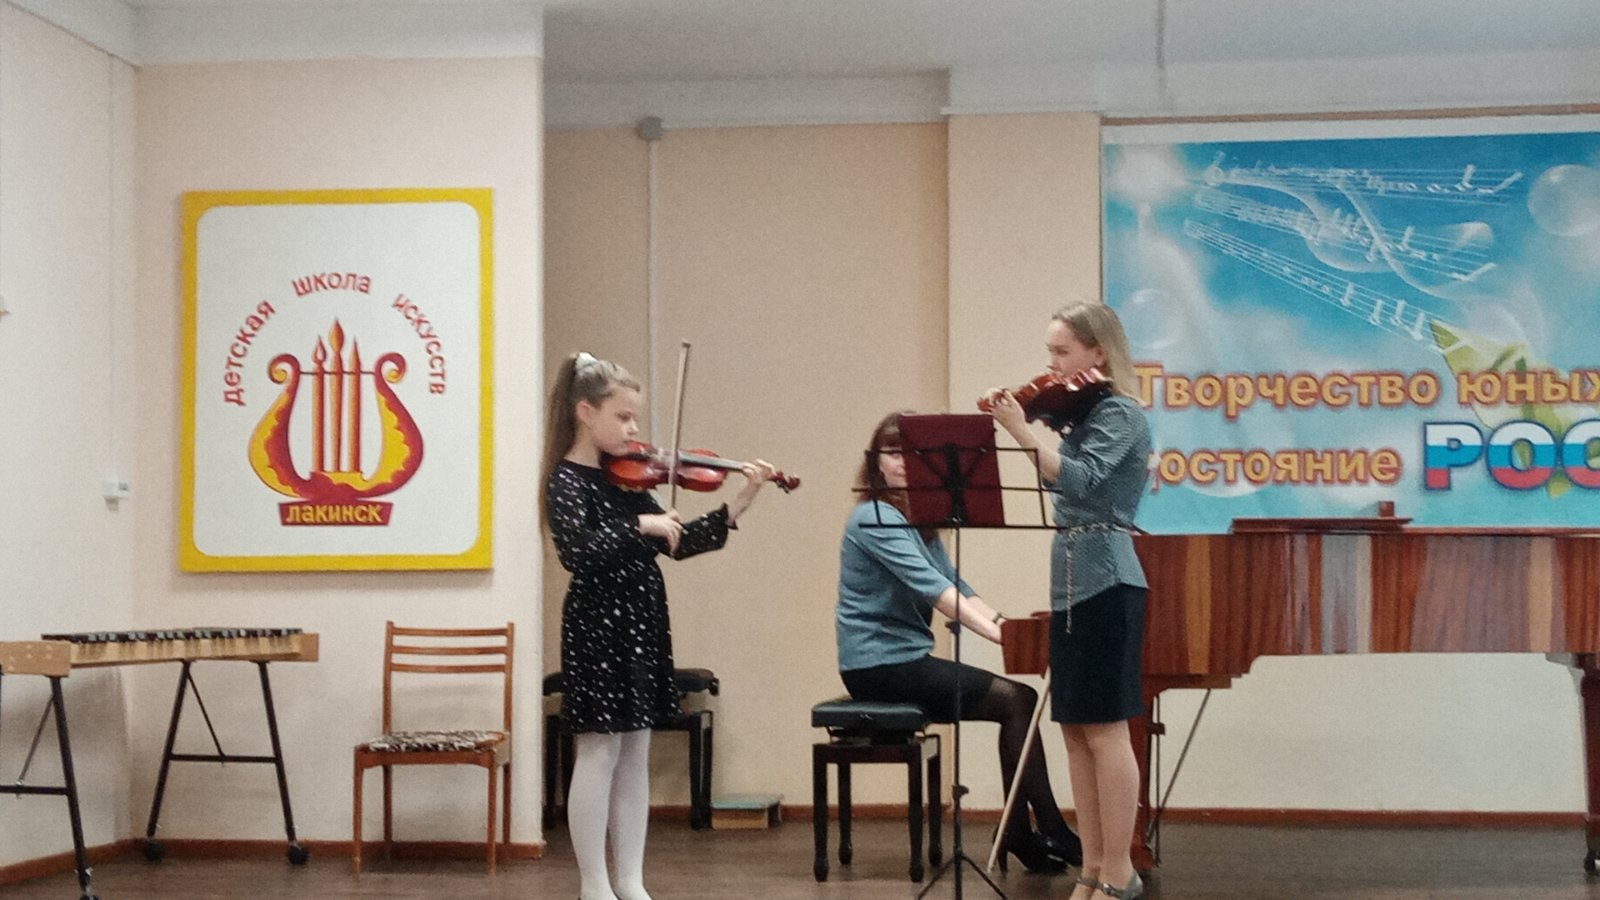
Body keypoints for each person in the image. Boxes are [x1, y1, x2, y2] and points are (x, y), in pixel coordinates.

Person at [541, 351, 776, 900]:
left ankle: (631, 880)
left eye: (635, 418)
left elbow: (679, 541)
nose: (634, 430)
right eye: (623, 417)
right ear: (585, 412)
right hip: (597, 624)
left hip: (642, 620)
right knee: (598, 752)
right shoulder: (566, 480)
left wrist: (742, 499)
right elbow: (577, 551)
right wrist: (639, 525)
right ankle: (594, 885)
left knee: (635, 753)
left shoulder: (628, 481)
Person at [834, 410, 1083, 874]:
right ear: (875, 462)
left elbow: (958, 585)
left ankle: (1023, 830)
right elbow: (938, 593)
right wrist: (1001, 638)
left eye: (910, 453)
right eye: (892, 452)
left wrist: (1008, 626)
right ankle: (1044, 827)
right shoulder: (873, 517)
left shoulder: (918, 520)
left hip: (905, 660)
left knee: (1019, 699)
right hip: (877, 666)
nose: (902, 462)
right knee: (1017, 699)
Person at [983, 303, 1151, 900]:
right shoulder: (1084, 415)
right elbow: (1061, 476)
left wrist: (1021, 430)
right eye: (1050, 352)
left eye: (1062, 352)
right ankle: (1092, 868)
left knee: (1105, 730)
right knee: (1076, 731)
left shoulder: (1122, 413)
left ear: (1097, 352)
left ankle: (1120, 872)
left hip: (1108, 579)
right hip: (1073, 580)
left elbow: (1079, 480)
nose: (1051, 365)